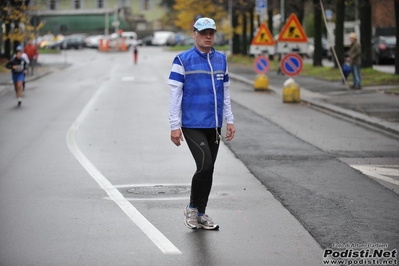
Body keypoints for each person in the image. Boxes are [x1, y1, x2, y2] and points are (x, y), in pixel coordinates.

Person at [168, 17, 235, 230]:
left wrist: (229, 120)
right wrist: (174, 125)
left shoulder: (221, 59)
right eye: (204, 33)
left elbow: (225, 93)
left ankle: (202, 213)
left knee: (209, 169)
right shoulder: (182, 59)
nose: (208, 37)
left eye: (211, 33)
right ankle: (192, 208)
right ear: (194, 34)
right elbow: (175, 95)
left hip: (213, 125)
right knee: (204, 164)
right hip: (192, 124)